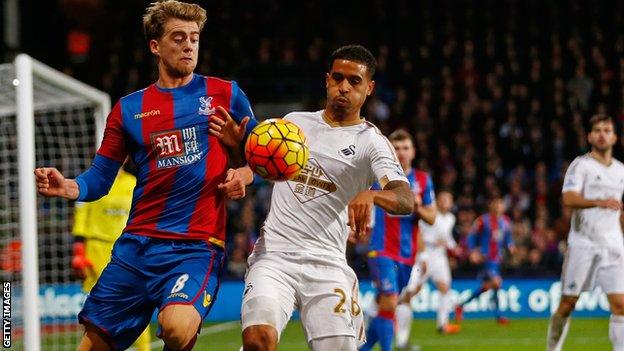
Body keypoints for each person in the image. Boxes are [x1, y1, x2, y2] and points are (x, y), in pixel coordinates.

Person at [34, 1, 257, 350]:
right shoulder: (129, 109)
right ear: (155, 46)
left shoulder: (225, 93)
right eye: (178, 37)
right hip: (136, 247)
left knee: (177, 328)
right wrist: (70, 187)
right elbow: (100, 177)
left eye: (194, 38)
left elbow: (267, 156)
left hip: (195, 247)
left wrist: (243, 169)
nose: (188, 45)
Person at [210, 44, 414, 351]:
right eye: (338, 78)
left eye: (354, 81)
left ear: (369, 88)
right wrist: (242, 169)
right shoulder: (295, 122)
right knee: (258, 339)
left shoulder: (372, 142)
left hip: (327, 264)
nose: (344, 87)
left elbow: (405, 198)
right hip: (274, 257)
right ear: (327, 79)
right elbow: (270, 166)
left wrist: (371, 196)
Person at [547, 114, 624, 351]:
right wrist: (598, 202)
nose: (602, 134)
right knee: (568, 303)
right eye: (598, 130)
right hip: (583, 244)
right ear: (590, 136)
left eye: (607, 130)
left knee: (620, 305)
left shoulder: (621, 170)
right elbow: (568, 198)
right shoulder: (581, 165)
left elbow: (618, 210)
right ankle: (552, 349)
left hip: (613, 245)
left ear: (614, 137)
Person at [359, 129, 436, 351]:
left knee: (387, 306)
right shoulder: (375, 177)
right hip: (380, 249)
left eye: (405, 148)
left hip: (407, 254)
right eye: (396, 148)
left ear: (413, 152)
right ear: (389, 151)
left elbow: (432, 218)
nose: (401, 152)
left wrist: (418, 206)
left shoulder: (422, 180)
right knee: (390, 299)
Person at [71, 160, 151, 351]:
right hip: (96, 247)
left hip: (128, 247)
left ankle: (145, 348)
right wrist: (78, 250)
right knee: (98, 305)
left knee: (138, 300)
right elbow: (81, 215)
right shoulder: (93, 181)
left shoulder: (133, 182)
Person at [400, 191, 461, 339]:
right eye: (443, 199)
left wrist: (454, 247)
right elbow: (418, 233)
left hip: (440, 255)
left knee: (445, 287)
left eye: (449, 199)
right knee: (412, 290)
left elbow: (447, 237)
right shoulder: (428, 214)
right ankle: (396, 309)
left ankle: (442, 324)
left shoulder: (451, 219)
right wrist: (423, 255)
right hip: (424, 253)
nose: (446, 202)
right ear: (437, 201)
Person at [454, 195, 515, 325]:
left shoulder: (505, 222)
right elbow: (471, 236)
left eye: (501, 204)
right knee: (497, 283)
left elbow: (508, 238)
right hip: (485, 257)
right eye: (496, 204)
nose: (499, 206)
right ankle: (499, 315)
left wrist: (511, 246)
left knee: (487, 287)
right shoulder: (483, 220)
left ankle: (461, 305)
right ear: (491, 206)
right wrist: (473, 252)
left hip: (497, 259)